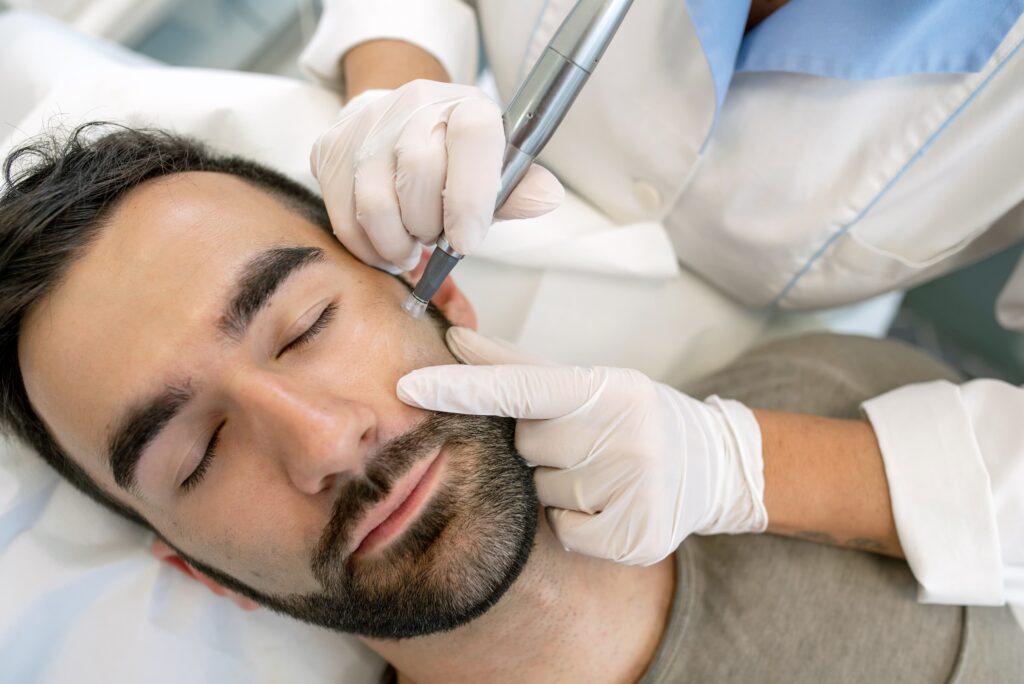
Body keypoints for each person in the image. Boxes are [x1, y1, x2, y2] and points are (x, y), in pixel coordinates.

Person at [0, 124, 1021, 681]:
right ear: (197, 569)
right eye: (198, 452)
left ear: (438, 290)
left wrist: (755, 470)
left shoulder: (834, 396)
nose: (325, 440)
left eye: (304, 326)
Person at [298, 0, 1024, 605]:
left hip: (760, 377)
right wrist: (395, 89)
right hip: (467, 182)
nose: (327, 443)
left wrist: (736, 466)